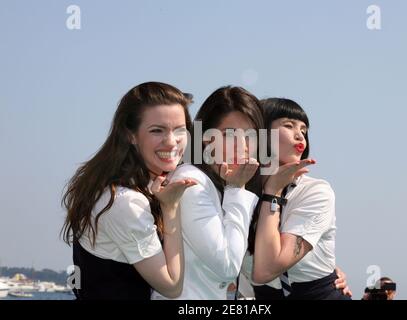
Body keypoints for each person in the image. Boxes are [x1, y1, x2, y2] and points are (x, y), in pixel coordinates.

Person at [61, 82, 197, 299]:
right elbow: (171, 286)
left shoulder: (119, 186)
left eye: (180, 130)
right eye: (157, 130)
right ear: (130, 135)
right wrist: (170, 207)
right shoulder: (125, 202)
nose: (172, 142)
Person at [152, 86, 262, 299]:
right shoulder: (191, 182)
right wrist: (237, 189)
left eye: (251, 135)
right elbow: (228, 267)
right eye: (229, 134)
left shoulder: (218, 185)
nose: (242, 145)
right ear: (205, 137)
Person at [246, 97, 351, 300]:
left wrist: (273, 192)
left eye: (304, 130)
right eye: (288, 125)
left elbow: (266, 270)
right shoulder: (238, 194)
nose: (300, 136)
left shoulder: (316, 192)